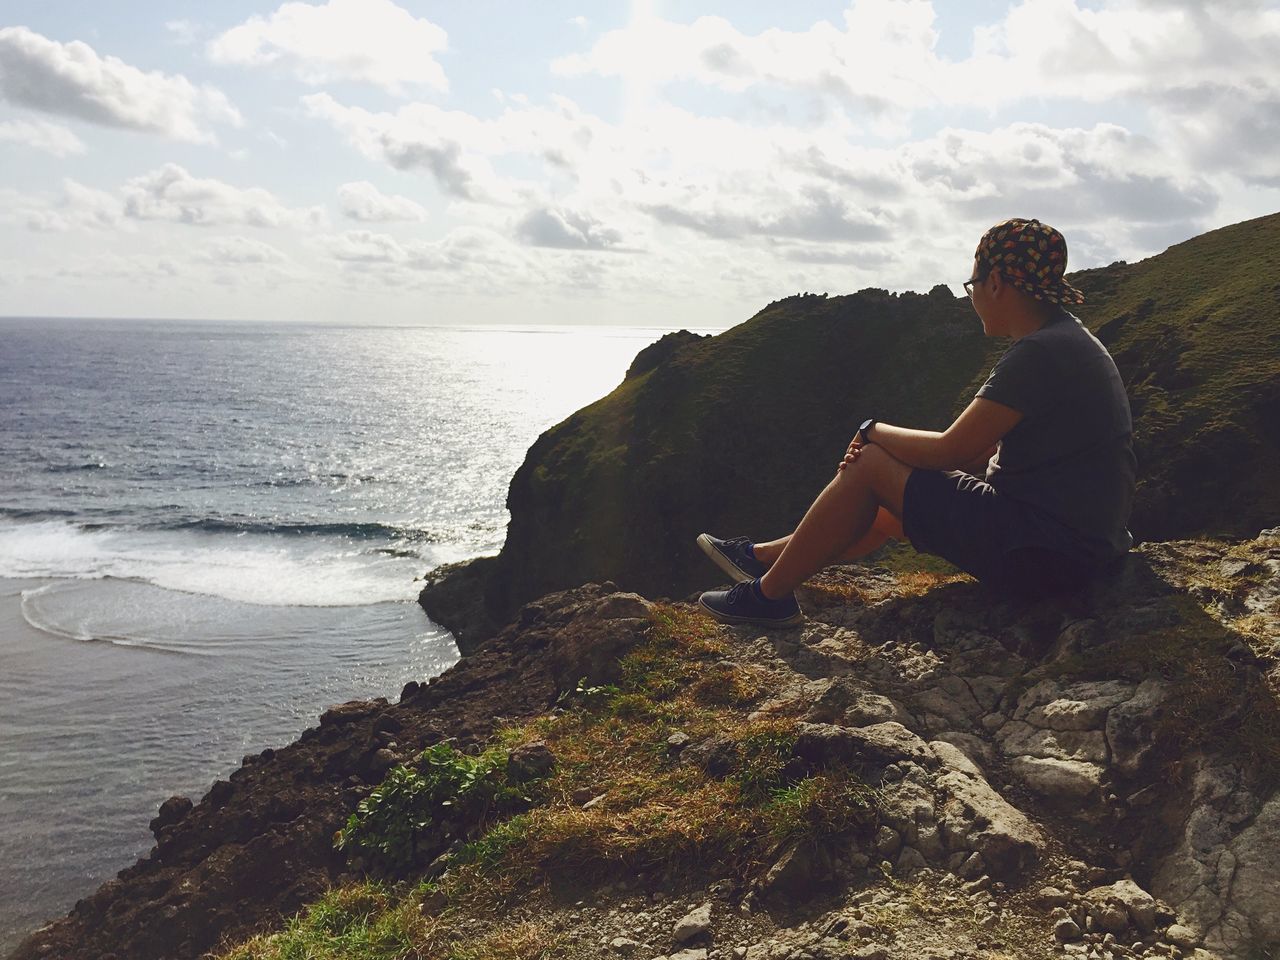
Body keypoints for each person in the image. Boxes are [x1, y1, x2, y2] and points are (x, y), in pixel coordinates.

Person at [697, 217, 1136, 626]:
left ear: (997, 282)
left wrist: (872, 431)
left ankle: (768, 598)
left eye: (973, 284)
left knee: (870, 465)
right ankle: (763, 559)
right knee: (890, 503)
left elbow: (952, 450)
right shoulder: (1070, 340)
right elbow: (981, 451)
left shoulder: (1039, 352)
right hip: (1077, 550)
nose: (973, 297)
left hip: (1045, 555)